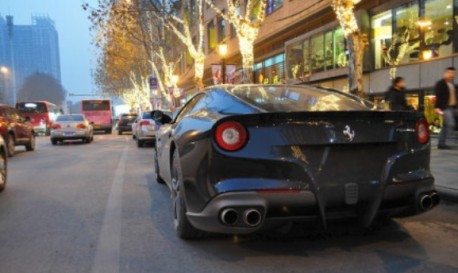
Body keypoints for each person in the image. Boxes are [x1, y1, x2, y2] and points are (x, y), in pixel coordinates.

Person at [434, 67, 457, 149]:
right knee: (450, 123)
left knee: (446, 125)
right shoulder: (441, 84)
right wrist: (437, 107)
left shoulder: (451, 85)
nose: (452, 75)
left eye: (453, 73)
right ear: (445, 73)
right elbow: (438, 96)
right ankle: (445, 141)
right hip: (445, 108)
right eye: (450, 73)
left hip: (451, 107)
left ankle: (441, 143)